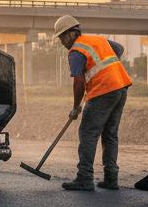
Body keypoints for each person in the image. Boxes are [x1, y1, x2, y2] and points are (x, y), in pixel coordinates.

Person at [53, 15, 132, 191]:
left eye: (61, 37)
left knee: (88, 133)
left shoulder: (76, 51)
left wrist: (75, 107)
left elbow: (78, 82)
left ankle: (84, 178)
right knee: (110, 134)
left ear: (71, 34)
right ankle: (111, 178)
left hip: (103, 91)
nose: (61, 42)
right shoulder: (97, 39)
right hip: (121, 86)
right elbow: (119, 48)